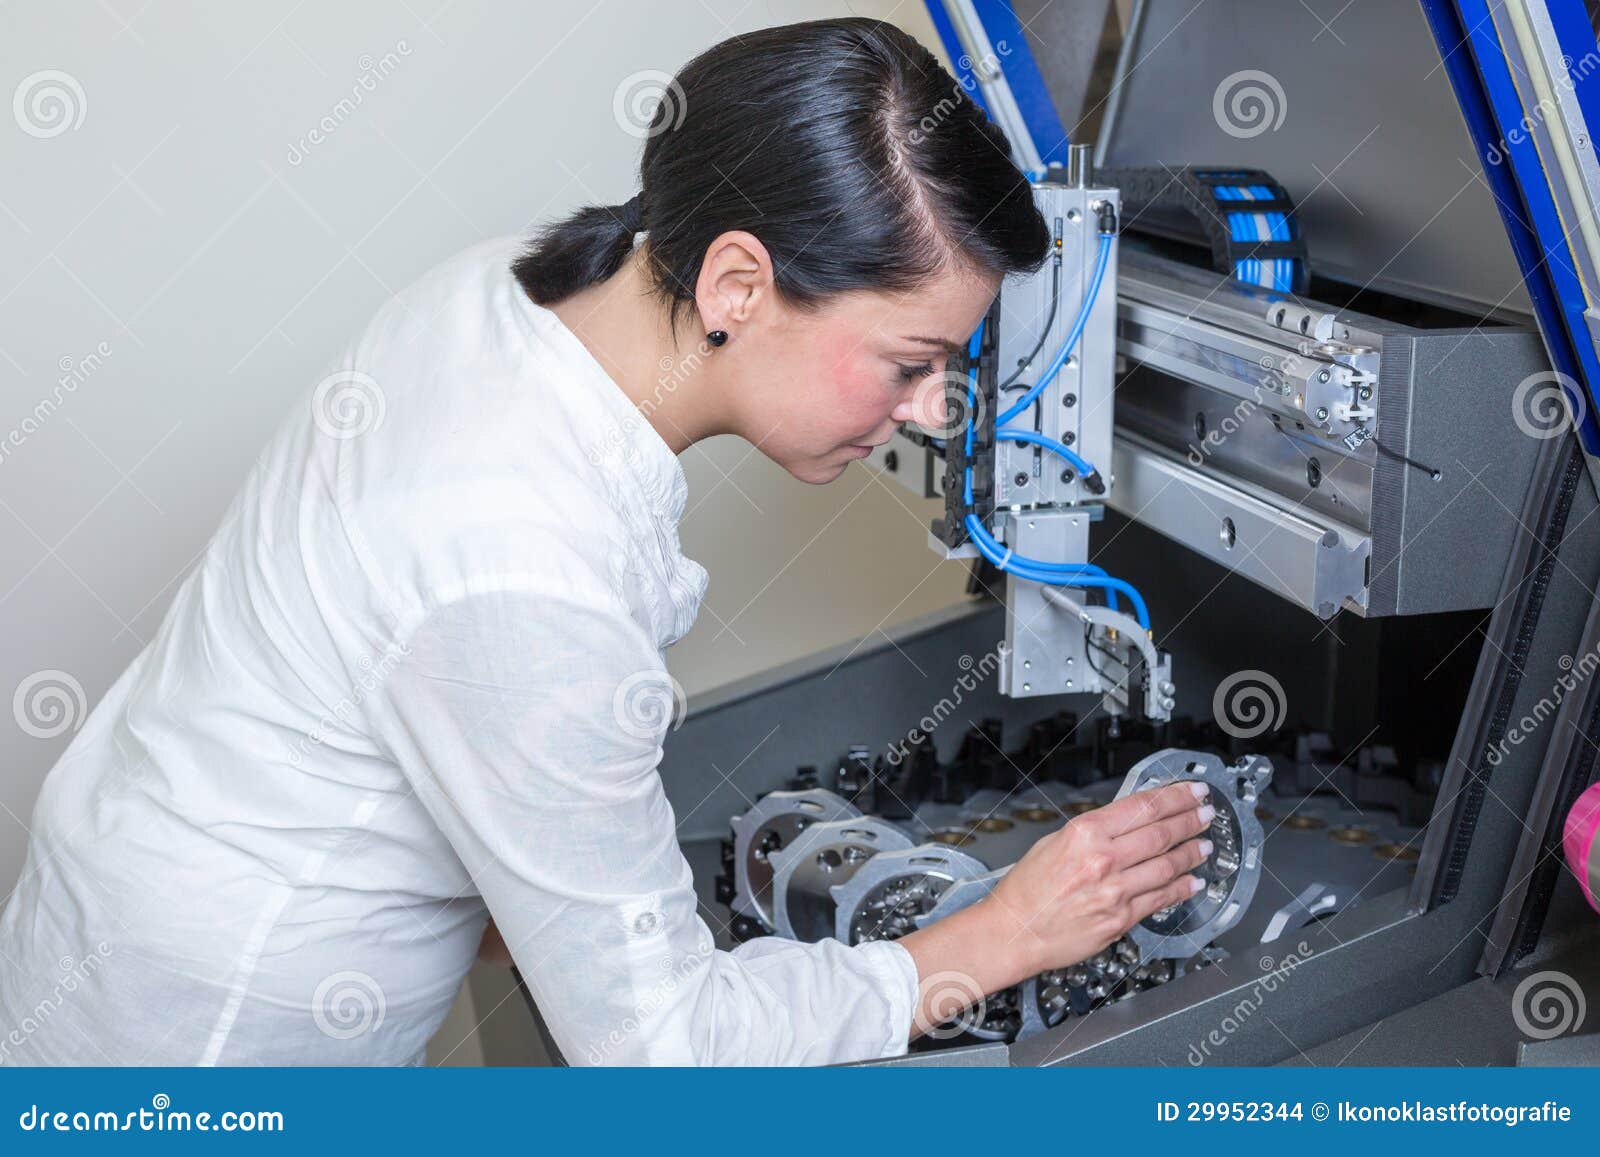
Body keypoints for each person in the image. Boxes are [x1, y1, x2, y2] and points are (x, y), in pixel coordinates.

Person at [0, 17, 1210, 1066]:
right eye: (912, 361)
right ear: (737, 285)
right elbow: (664, 1055)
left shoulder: (505, 295)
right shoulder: (519, 552)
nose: (933, 410)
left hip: (121, 897)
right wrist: (1005, 933)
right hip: (204, 1049)